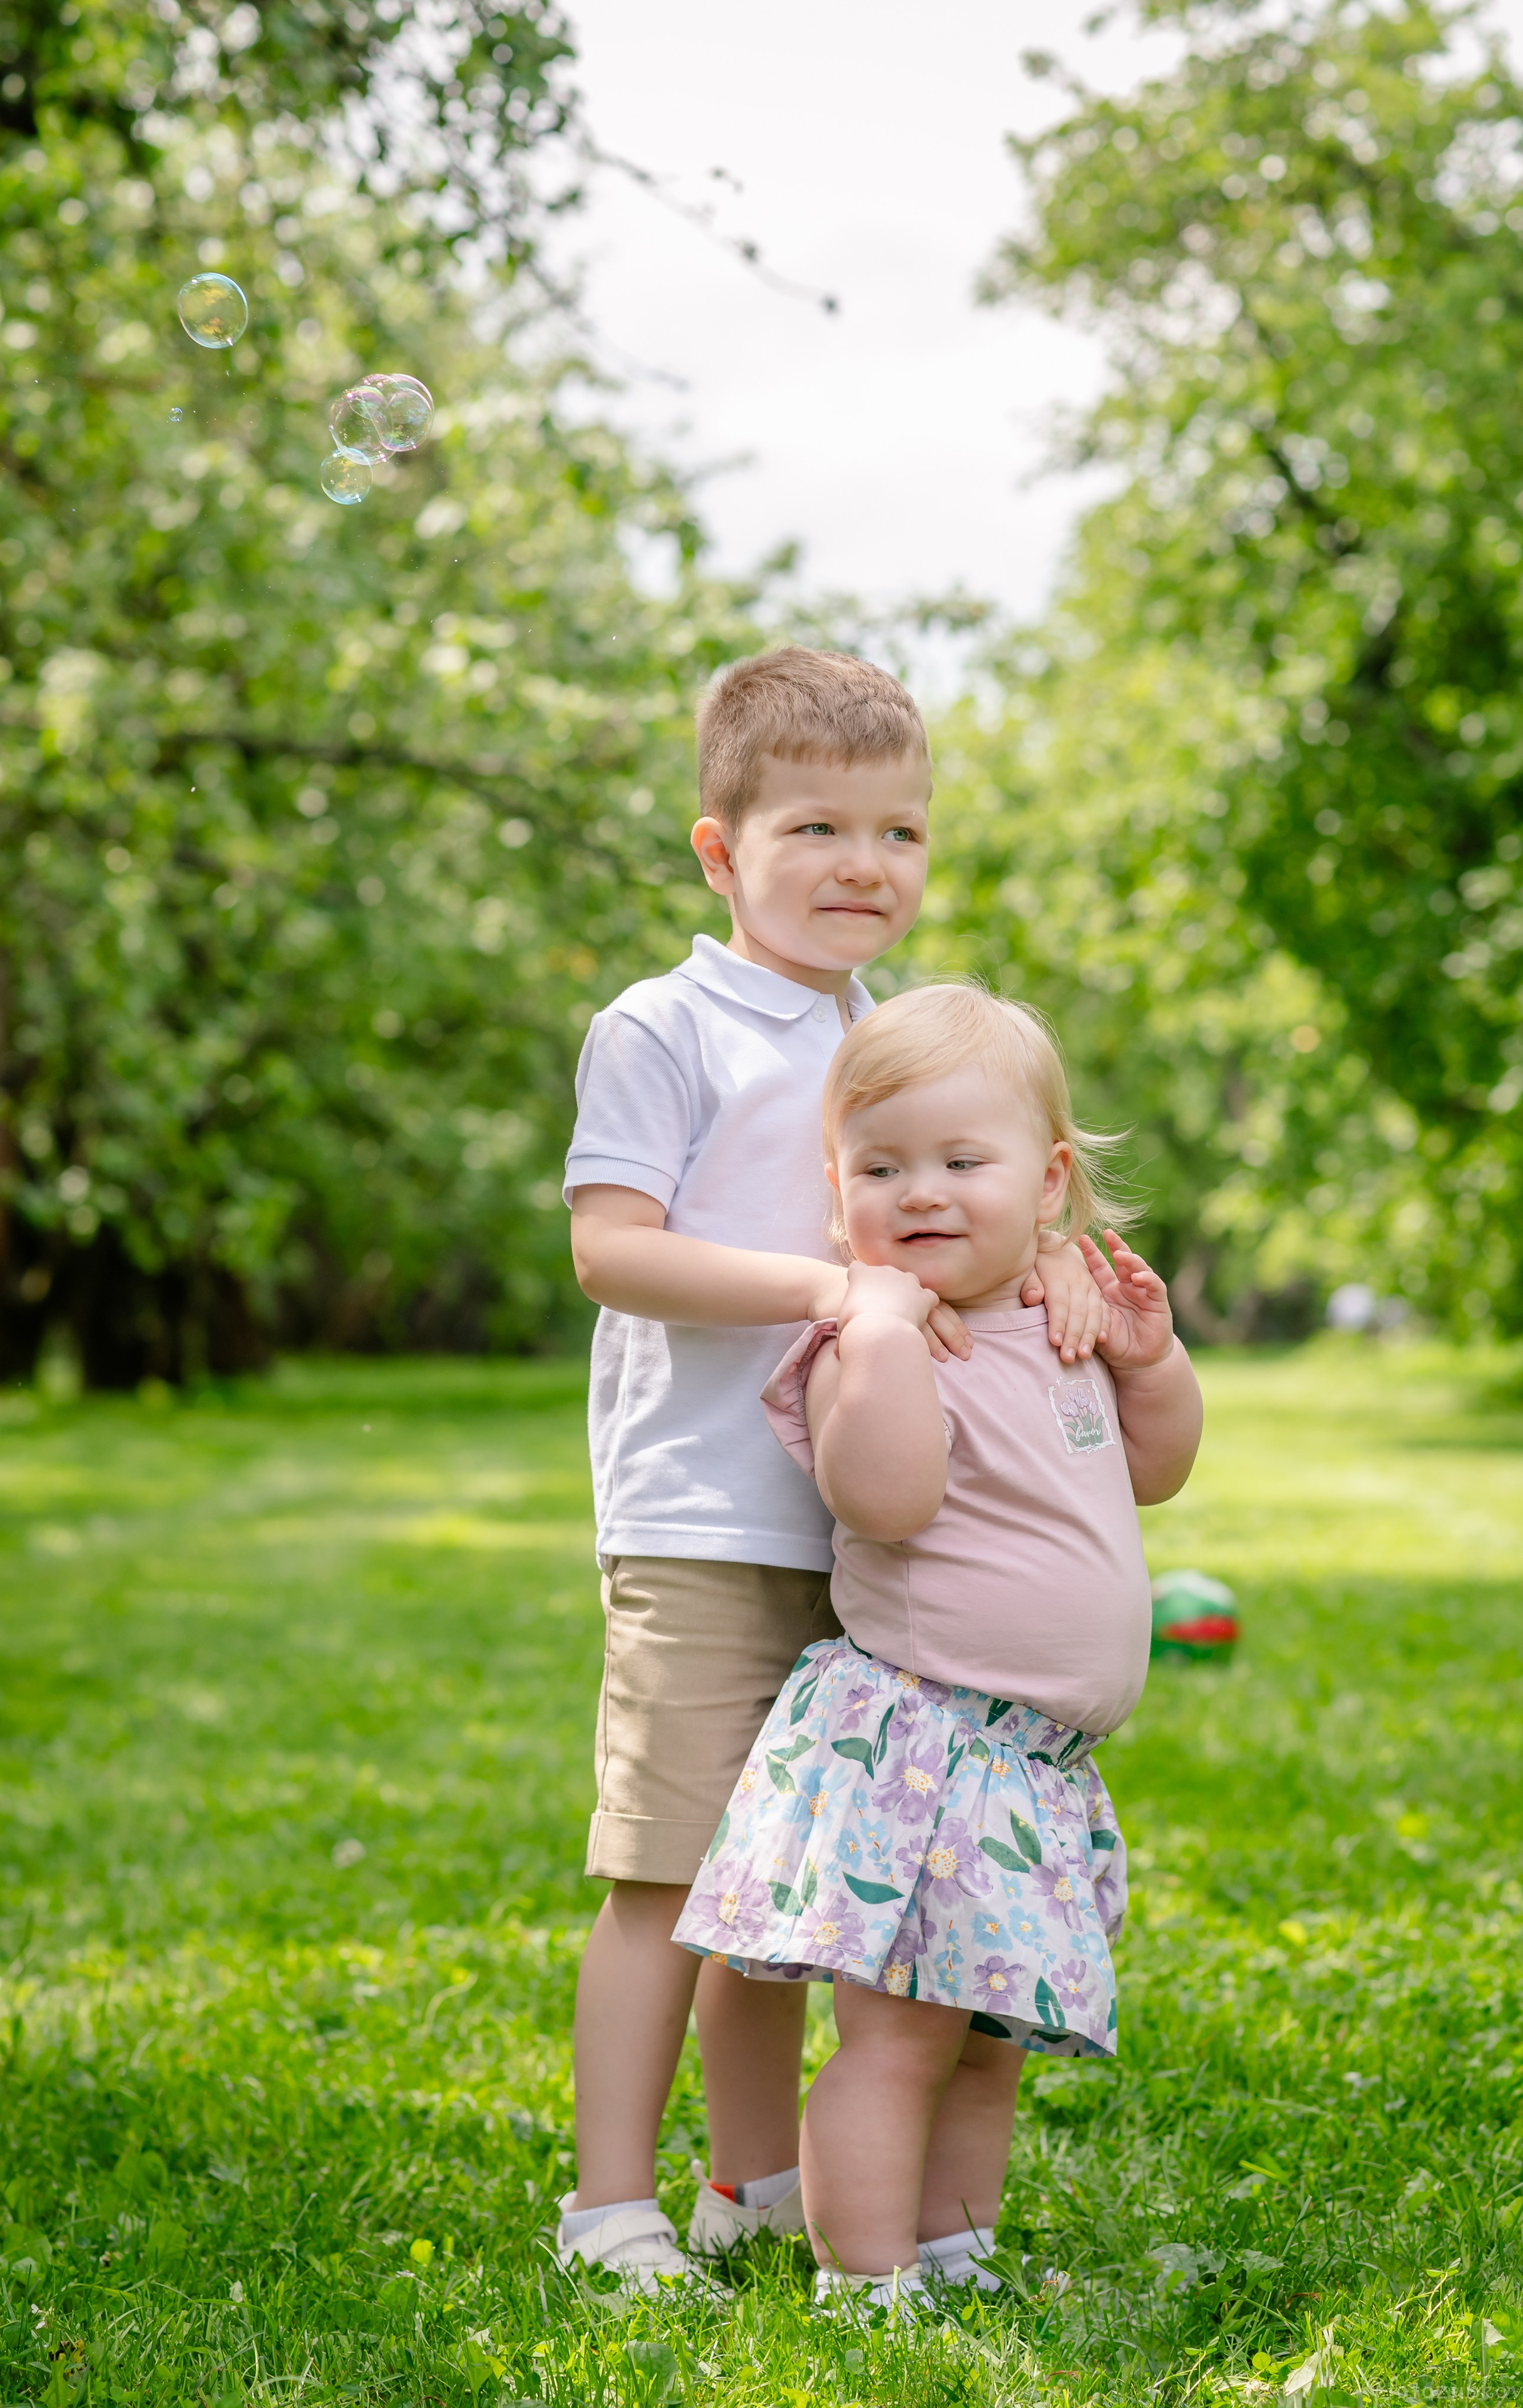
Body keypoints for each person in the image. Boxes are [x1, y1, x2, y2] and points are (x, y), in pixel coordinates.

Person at [556, 650, 1110, 2289]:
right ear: (722, 851)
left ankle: (753, 2186)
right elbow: (612, 1250)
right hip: (706, 1512)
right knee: (667, 1873)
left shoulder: (899, 1037)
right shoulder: (666, 1026)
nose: (866, 866)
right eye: (817, 828)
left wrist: (1064, 1268)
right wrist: (836, 1291)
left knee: (793, 1888)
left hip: (883, 1548)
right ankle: (607, 2210)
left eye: (901, 833)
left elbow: (964, 1215)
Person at [675, 981, 1203, 2305]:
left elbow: (1156, 1474)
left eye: (961, 1161)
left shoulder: (1061, 1317)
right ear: (834, 1184)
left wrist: (1149, 1361)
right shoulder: (869, 1341)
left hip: (1027, 1767)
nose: (920, 1191)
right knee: (901, 2040)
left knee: (983, 2045)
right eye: (879, 1166)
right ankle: (865, 2277)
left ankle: (956, 2248)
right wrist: (886, 1333)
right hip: (922, 1750)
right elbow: (886, 1499)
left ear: (1047, 1181)